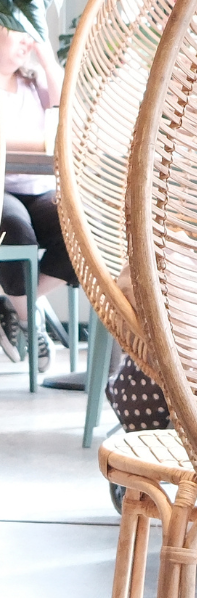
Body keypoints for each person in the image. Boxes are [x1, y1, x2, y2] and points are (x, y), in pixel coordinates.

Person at [0, 27, 70, 372]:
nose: (27, 41)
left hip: (41, 187)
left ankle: (16, 307)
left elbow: (66, 111)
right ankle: (31, 320)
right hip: (3, 191)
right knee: (15, 231)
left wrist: (45, 53)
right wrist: (44, 139)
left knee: (79, 229)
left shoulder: (34, 82)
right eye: (19, 33)